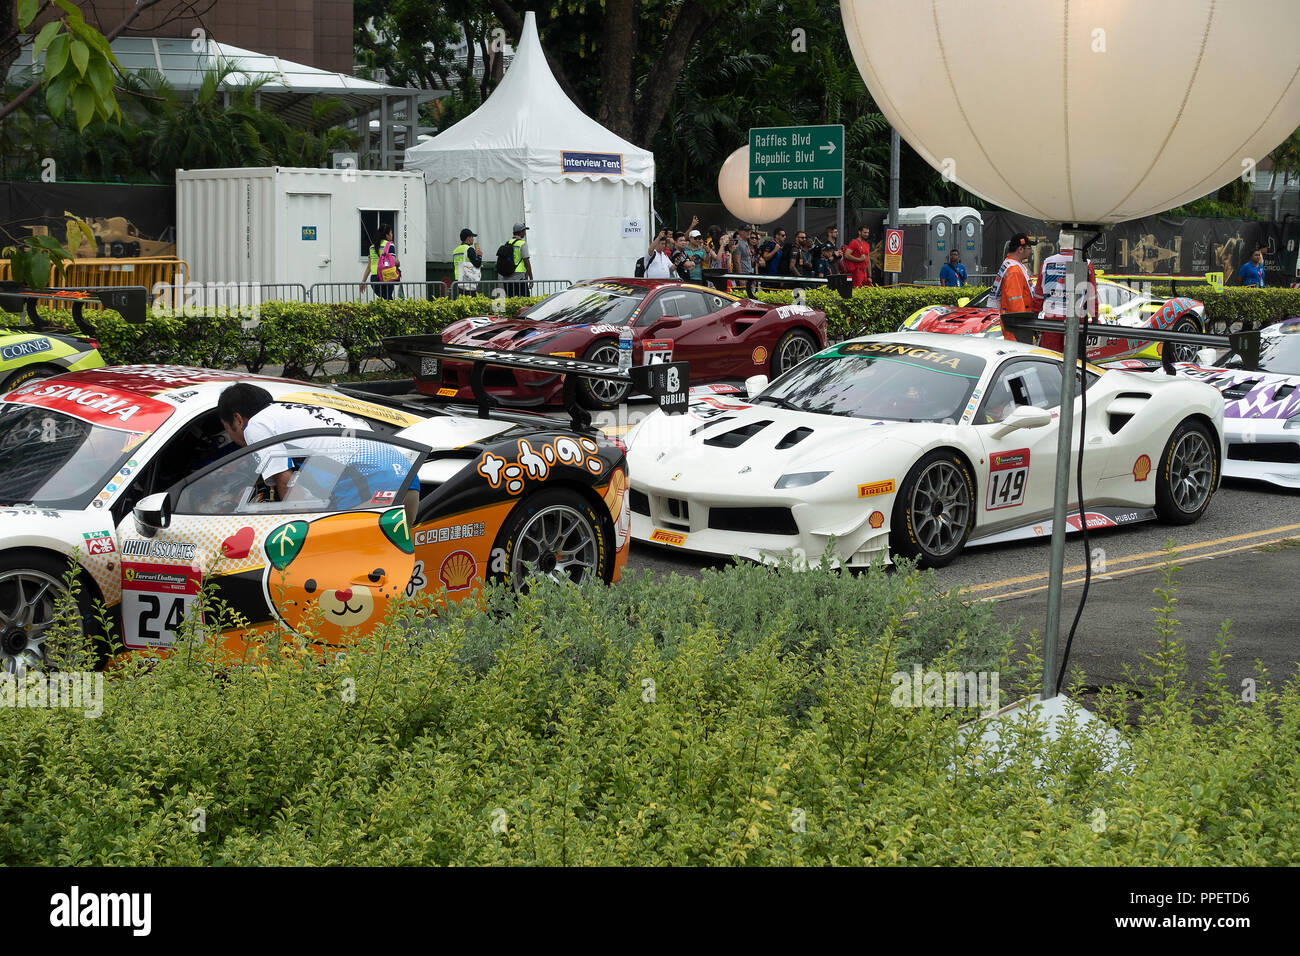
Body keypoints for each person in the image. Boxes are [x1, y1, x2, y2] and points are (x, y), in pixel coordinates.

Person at [218, 383, 371, 502]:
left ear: (238, 419)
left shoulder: (255, 425)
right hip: (383, 463)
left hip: (364, 480)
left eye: (227, 429)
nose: (231, 437)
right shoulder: (291, 410)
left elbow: (286, 483)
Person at [1034, 239, 1098, 353]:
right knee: (1075, 361)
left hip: (1051, 320)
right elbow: (1092, 296)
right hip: (1077, 318)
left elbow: (1038, 295)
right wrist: (1095, 319)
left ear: (1060, 243)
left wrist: (1034, 317)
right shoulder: (1085, 263)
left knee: (1050, 358)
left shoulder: (1047, 262)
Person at [990, 233, 1036, 337]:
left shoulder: (1011, 264)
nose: (1030, 251)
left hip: (1013, 321)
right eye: (1029, 248)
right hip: (1016, 324)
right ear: (1020, 249)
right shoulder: (1014, 270)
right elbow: (1015, 301)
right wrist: (1023, 323)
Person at [361, 224, 400, 300]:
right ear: (387, 235)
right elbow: (394, 262)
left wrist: (363, 282)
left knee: (385, 300)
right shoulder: (390, 245)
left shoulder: (372, 248)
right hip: (386, 277)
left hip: (374, 278)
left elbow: (369, 267)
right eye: (391, 233)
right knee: (388, 301)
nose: (392, 235)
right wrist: (398, 262)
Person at [503, 222, 533, 296]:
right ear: (521, 232)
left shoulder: (508, 243)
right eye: (524, 231)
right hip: (519, 277)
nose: (525, 233)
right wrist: (531, 278)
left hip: (507, 276)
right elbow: (526, 262)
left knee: (512, 301)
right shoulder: (522, 244)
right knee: (525, 300)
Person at [451, 227, 482, 297]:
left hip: (458, 280)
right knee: (471, 302)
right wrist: (479, 256)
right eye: (472, 237)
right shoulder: (469, 249)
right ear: (468, 238)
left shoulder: (455, 250)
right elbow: (477, 264)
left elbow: (454, 265)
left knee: (462, 302)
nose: (473, 239)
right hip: (468, 280)